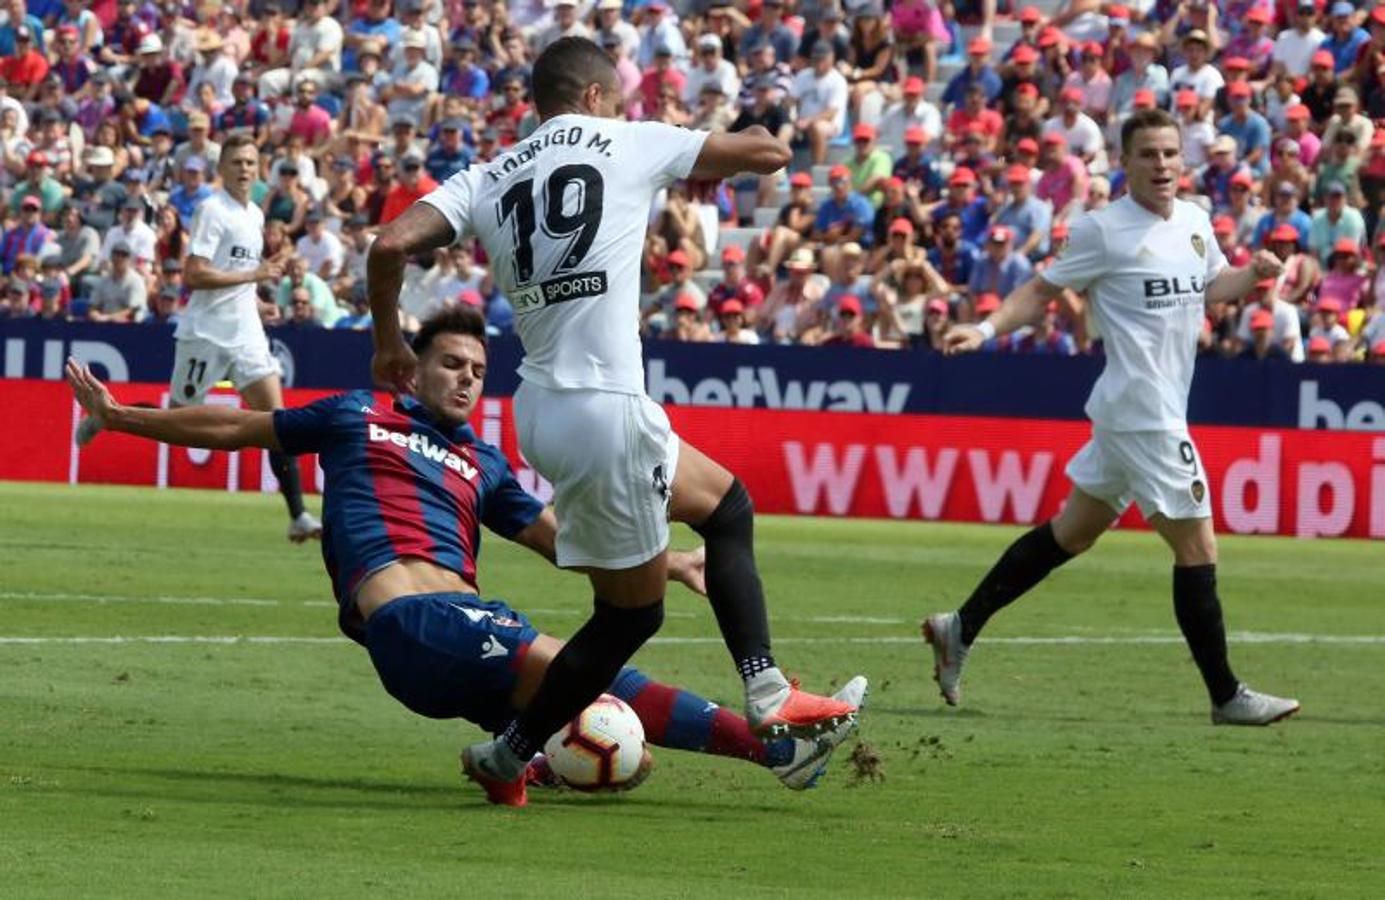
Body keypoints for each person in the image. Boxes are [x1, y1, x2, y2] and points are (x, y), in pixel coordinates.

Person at [63, 308, 865, 805]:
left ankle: (533, 762)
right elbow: (238, 427)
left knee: (607, 725)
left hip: (469, 624)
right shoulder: (356, 416)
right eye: (451, 363)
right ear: (412, 368)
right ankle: (774, 747)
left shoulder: (481, 464)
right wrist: (127, 419)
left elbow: (564, 545)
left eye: (478, 371)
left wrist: (666, 563)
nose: (465, 379)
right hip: (413, 620)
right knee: (588, 676)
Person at [366, 37, 861, 806]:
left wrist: (390, 341)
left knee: (724, 508)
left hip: (541, 412)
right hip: (607, 408)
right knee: (630, 617)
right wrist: (772, 118)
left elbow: (390, 243)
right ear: (597, 97)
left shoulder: (489, 173)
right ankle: (755, 700)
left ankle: (521, 751)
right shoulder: (625, 140)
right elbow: (764, 155)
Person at [926, 109, 1300, 727]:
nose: (1162, 165)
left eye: (1170, 154)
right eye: (1148, 154)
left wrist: (1252, 276)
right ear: (1124, 164)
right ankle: (1226, 695)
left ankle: (958, 626)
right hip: (1142, 410)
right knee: (1197, 544)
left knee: (1073, 532)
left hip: (1143, 410)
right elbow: (1042, 291)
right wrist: (986, 327)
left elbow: (1212, 288)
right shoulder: (1102, 230)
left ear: (1184, 160)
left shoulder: (1196, 221)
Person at [75, 134, 322, 544]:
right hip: (206, 334)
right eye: (236, 162)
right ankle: (110, 414)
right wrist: (254, 276)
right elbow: (194, 275)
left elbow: (234, 278)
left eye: (250, 162)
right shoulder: (212, 209)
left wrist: (257, 302)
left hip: (246, 334)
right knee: (178, 421)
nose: (244, 168)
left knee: (277, 421)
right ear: (221, 168)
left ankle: (298, 514)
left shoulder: (256, 216)